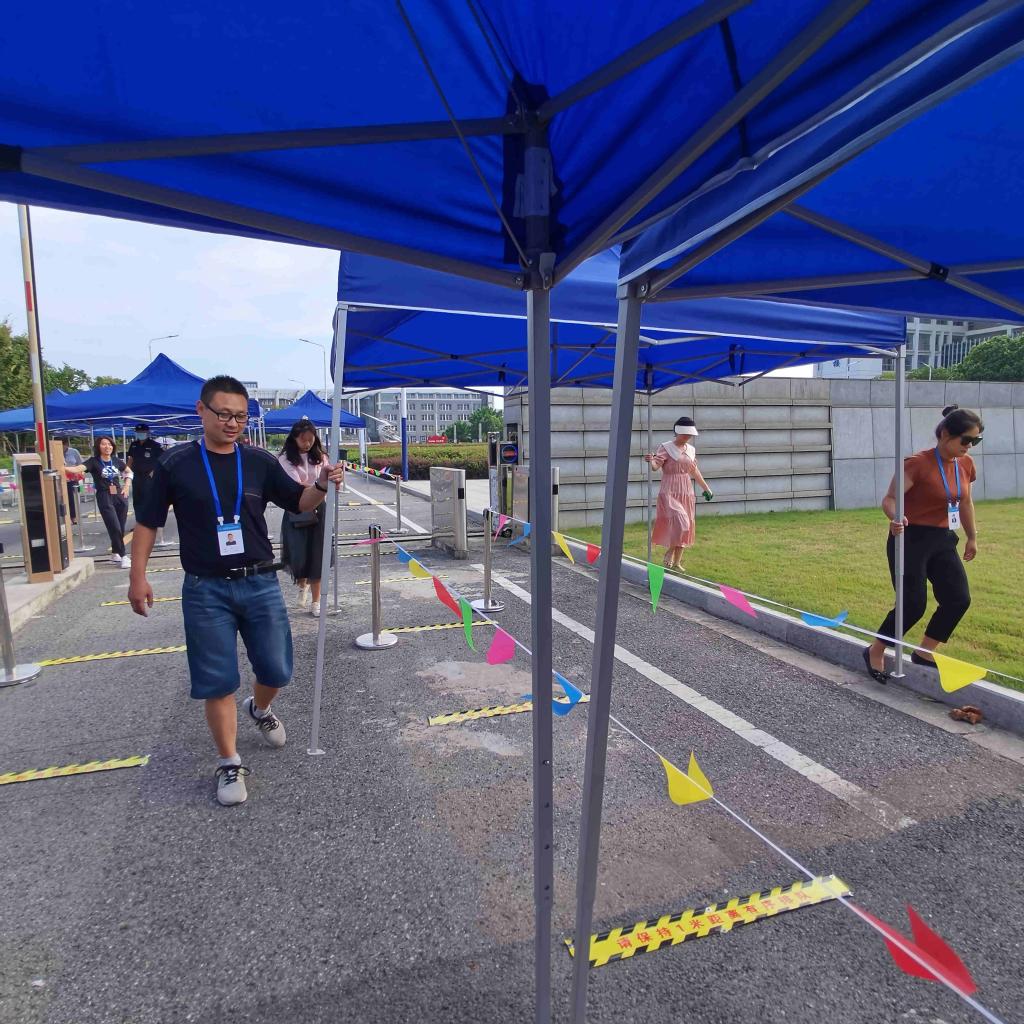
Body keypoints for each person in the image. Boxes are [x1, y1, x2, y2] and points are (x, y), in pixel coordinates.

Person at [128, 375, 344, 807]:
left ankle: (259, 709)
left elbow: (299, 502)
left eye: (240, 416)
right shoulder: (175, 463)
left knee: (277, 669)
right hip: (205, 588)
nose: (232, 423)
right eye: (223, 414)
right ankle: (229, 761)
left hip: (260, 581)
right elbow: (148, 522)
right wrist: (138, 576)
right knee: (217, 680)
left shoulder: (258, 461)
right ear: (201, 410)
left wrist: (322, 484)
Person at [863, 404, 983, 684]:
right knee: (913, 604)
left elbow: (965, 502)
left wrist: (972, 536)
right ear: (945, 434)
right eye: (966, 439)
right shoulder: (917, 463)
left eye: (976, 441)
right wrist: (896, 517)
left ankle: (924, 652)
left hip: (943, 539)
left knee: (958, 598)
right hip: (910, 537)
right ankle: (876, 649)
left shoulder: (965, 464)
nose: (970, 446)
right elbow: (890, 499)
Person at [644, 416, 713, 572]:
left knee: (687, 526)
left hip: (686, 491)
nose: (688, 437)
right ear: (677, 432)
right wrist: (651, 460)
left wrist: (706, 488)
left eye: (690, 434)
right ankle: (669, 552)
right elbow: (656, 467)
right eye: (685, 434)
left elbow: (694, 471)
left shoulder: (691, 450)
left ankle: (677, 562)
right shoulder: (666, 447)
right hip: (669, 490)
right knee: (682, 523)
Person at [278, 418, 332, 617]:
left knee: (318, 555)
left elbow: (328, 482)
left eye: (311, 439)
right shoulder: (285, 459)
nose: (308, 443)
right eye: (303, 439)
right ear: (294, 438)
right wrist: (319, 485)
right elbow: (295, 486)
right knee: (298, 554)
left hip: (319, 508)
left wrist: (321, 486)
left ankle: (317, 601)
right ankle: (303, 585)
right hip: (296, 509)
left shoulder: (321, 456)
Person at [83, 435, 132, 567]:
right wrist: (62, 467)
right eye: (104, 444)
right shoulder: (93, 461)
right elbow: (78, 469)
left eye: (109, 444)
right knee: (114, 526)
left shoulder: (116, 460)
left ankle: (115, 553)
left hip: (119, 495)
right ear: (98, 446)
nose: (107, 446)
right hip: (104, 495)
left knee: (120, 526)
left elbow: (129, 472)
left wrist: (127, 486)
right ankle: (124, 556)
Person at [125, 423, 163, 520]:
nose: (140, 434)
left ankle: (150, 521)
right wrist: (126, 471)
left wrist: (154, 472)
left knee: (148, 499)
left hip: (149, 477)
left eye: (142, 432)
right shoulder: (134, 445)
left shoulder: (155, 445)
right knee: (137, 500)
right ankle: (139, 521)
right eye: (138, 432)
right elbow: (130, 459)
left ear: (148, 432)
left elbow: (162, 460)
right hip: (136, 477)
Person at [61, 438, 83, 524]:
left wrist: (78, 473)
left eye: (63, 445)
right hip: (60, 478)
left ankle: (73, 517)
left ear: (67, 445)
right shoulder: (55, 452)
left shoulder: (74, 452)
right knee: (61, 498)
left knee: (71, 498)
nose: (62, 447)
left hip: (72, 478)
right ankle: (64, 518)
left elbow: (80, 463)